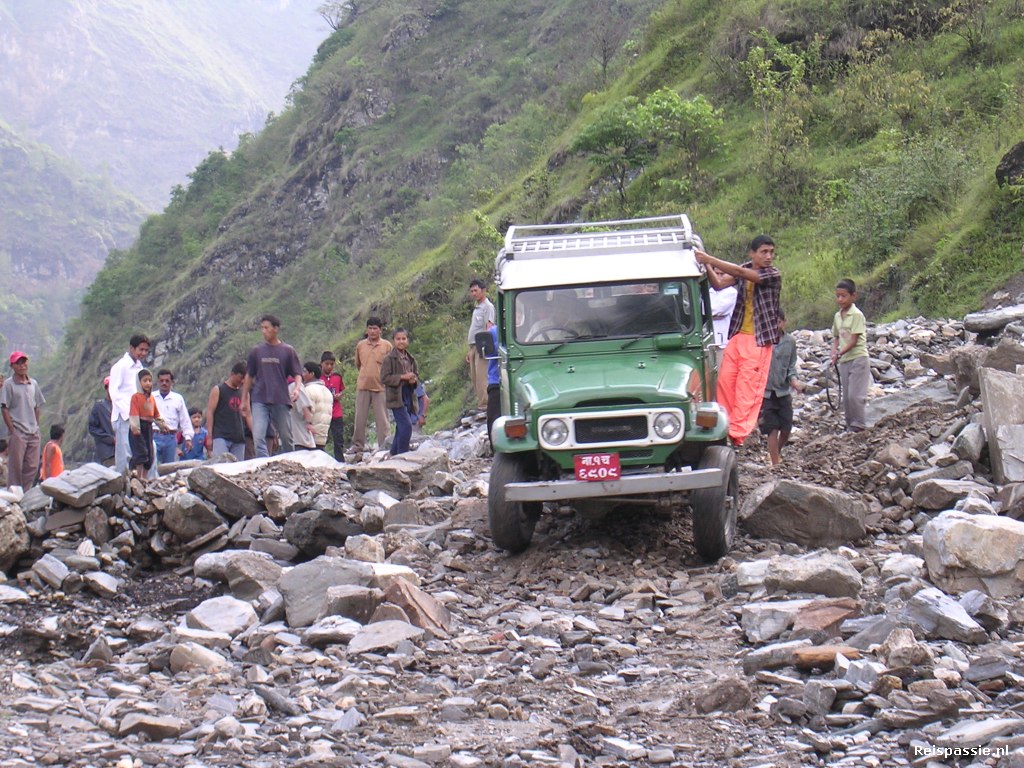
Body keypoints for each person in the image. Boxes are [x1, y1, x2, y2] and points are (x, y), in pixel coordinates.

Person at [696, 235, 783, 446]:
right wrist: (706, 264)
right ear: (752, 253)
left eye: (771, 252)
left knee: (747, 388)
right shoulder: (744, 269)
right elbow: (718, 284)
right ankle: (725, 427)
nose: (769, 256)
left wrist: (710, 258)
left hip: (758, 339)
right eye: (764, 252)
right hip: (737, 336)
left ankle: (738, 433)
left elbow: (741, 273)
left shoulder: (772, 274)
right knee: (725, 383)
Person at [241, 315, 303, 457]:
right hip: (260, 399)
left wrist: (297, 388)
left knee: (286, 437)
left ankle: (290, 461)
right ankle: (263, 463)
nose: (263, 331)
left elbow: (297, 373)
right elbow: (249, 376)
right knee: (258, 436)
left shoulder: (288, 351)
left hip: (280, 399)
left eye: (266, 328)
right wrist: (244, 399)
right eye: (262, 328)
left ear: (275, 329)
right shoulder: (257, 351)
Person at [759, 311, 804, 466]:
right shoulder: (761, 341)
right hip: (765, 392)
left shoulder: (790, 342)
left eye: (778, 321)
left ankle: (775, 454)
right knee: (772, 428)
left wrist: (794, 381)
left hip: (783, 391)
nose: (775, 325)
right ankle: (775, 463)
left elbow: (791, 366)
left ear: (784, 322)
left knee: (786, 428)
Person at [1, 352, 45, 490]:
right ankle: (14, 493)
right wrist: (13, 431)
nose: (22, 366)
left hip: (33, 431)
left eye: (24, 362)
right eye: (18, 363)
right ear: (12, 366)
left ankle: (24, 493)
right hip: (18, 430)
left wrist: (36, 426)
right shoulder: (9, 384)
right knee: (16, 465)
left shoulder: (34, 384)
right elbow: (4, 408)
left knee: (32, 465)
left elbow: (37, 406)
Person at [349, 317, 393, 457]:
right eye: (370, 328)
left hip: (380, 387)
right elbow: (358, 364)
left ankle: (384, 445)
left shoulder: (386, 346)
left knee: (382, 419)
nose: (372, 331)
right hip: (363, 386)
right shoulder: (360, 345)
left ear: (380, 330)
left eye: (375, 328)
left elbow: (391, 365)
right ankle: (357, 446)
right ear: (366, 330)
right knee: (360, 418)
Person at [831, 278, 871, 432]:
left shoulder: (857, 315)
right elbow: (836, 337)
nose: (840, 299)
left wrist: (838, 353)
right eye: (838, 296)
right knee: (847, 396)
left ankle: (859, 424)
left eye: (844, 296)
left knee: (856, 395)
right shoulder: (837, 316)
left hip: (858, 357)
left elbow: (854, 341)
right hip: (845, 360)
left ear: (853, 296)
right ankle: (850, 425)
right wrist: (833, 352)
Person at [109, 334, 150, 473]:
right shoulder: (120, 366)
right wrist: (128, 413)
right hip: (125, 416)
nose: (143, 353)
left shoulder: (140, 367)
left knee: (143, 451)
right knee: (125, 453)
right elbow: (113, 392)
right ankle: (122, 487)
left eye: (146, 350)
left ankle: (140, 485)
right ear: (132, 348)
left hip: (139, 416)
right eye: (141, 350)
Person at [380, 327, 419, 456]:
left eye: (403, 339)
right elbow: (384, 378)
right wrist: (402, 377)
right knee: (406, 426)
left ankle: (394, 453)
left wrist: (414, 380)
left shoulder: (410, 359)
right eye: (398, 339)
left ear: (407, 341)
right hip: (396, 397)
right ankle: (403, 454)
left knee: (400, 427)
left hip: (408, 394)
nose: (401, 341)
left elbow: (416, 375)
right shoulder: (389, 359)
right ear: (393, 341)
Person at [205, 362, 248, 461]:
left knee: (239, 470)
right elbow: (210, 413)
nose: (241, 381)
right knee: (221, 466)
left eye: (244, 379)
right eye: (240, 377)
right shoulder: (218, 390)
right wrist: (209, 437)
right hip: (221, 436)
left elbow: (248, 414)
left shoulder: (244, 392)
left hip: (239, 438)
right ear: (232, 374)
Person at [128, 369, 167, 480]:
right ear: (139, 382)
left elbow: (156, 414)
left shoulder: (151, 398)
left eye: (150, 380)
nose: (148, 383)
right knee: (141, 452)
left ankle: (144, 478)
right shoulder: (135, 397)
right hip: (138, 428)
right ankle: (138, 477)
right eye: (145, 381)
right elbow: (134, 413)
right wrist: (135, 428)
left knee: (149, 454)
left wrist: (162, 425)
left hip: (148, 427)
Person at [153, 369, 194, 465]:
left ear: (172, 382)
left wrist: (188, 438)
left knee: (170, 467)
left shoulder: (177, 398)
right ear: (157, 382)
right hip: (154, 436)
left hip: (170, 438)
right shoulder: (151, 397)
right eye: (161, 381)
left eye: (167, 381)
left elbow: (185, 420)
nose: (164, 383)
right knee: (152, 466)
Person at [466, 278, 495, 410]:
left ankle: (485, 404)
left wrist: (483, 345)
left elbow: (489, 326)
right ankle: (481, 403)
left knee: (482, 376)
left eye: (476, 290)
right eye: (471, 291)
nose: (473, 293)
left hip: (481, 346)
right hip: (472, 347)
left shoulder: (488, 307)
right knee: (475, 377)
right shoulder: (477, 307)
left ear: (483, 291)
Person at [302, 362, 334, 451]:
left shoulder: (308, 390)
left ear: (312, 374)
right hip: (322, 437)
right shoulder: (328, 392)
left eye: (305, 372)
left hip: (309, 438)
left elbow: (307, 414)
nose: (302, 374)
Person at [320, 351, 346, 459]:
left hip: (336, 413)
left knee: (338, 439)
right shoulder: (319, 378)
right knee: (321, 439)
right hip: (323, 413)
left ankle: (340, 460)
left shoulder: (337, 377)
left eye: (331, 364)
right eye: (327, 364)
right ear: (321, 364)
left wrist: (339, 395)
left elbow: (342, 390)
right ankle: (321, 459)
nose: (329, 366)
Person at [88, 377, 116, 466]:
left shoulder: (122, 405)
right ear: (106, 388)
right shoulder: (99, 407)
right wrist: (111, 439)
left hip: (123, 452)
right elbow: (92, 428)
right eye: (109, 387)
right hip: (108, 453)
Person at [709, 273, 738, 349]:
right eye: (716, 273)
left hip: (725, 338)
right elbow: (703, 310)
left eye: (722, 274)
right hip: (711, 338)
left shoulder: (731, 292)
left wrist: (709, 314)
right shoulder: (710, 291)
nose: (718, 276)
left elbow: (717, 310)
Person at [287, 376, 317, 450]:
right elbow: (305, 406)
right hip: (301, 438)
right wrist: (310, 423)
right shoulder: (295, 385)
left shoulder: (285, 385)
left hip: (290, 437)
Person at [485, 323, 500, 450]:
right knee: (493, 416)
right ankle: (494, 447)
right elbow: (488, 353)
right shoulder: (494, 331)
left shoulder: (531, 327)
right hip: (498, 378)